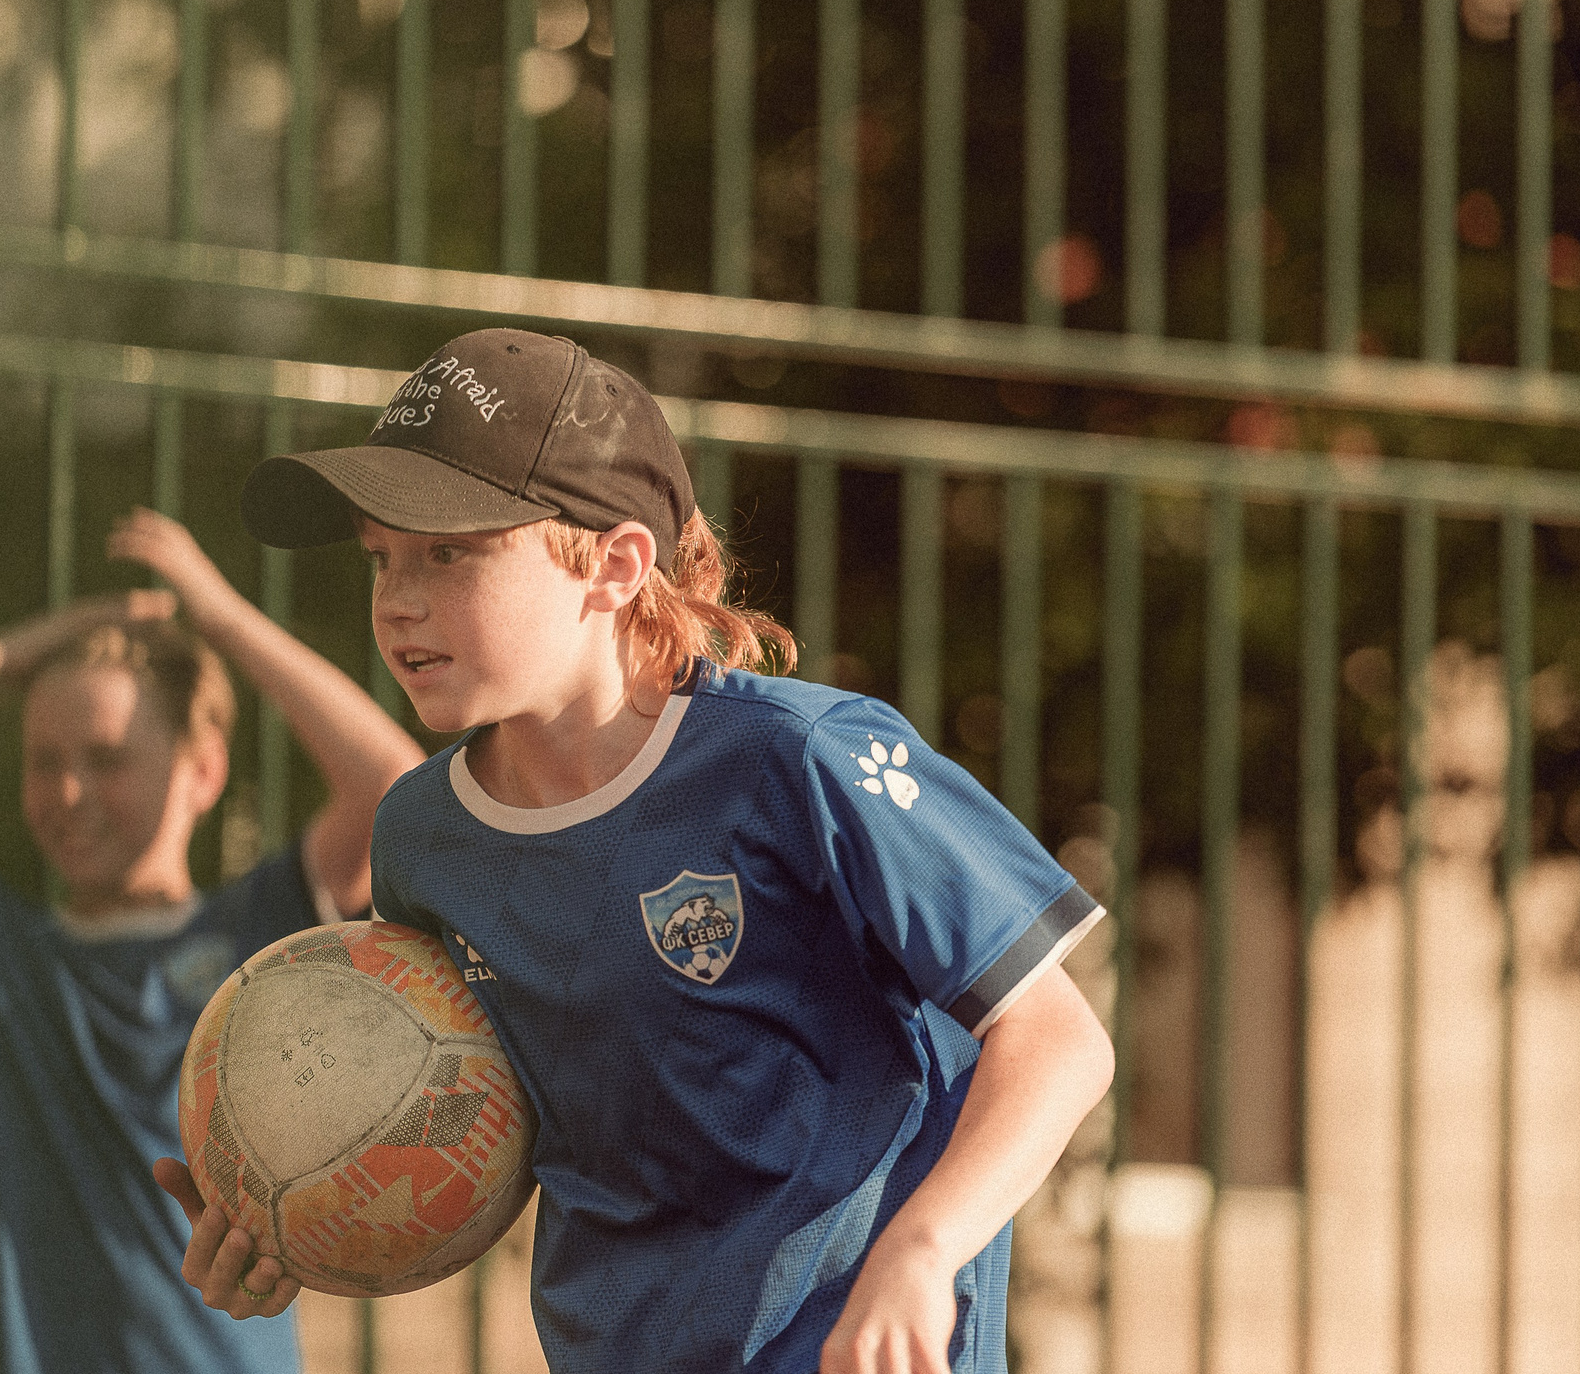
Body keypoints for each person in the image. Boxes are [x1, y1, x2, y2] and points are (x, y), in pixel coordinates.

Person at [156, 329, 1115, 1374]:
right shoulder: (424, 836)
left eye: (449, 549)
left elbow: (1059, 1039)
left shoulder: (800, 760)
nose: (396, 597)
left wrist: (921, 1251)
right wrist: (313, 1206)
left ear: (613, 565)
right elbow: (470, 1119)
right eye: (378, 555)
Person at [0, 507, 422, 1374]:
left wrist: (220, 618)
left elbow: (396, 788)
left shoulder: (263, 935)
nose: (70, 790)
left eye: (108, 756)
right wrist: (14, 650)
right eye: (46, 759)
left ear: (203, 770)